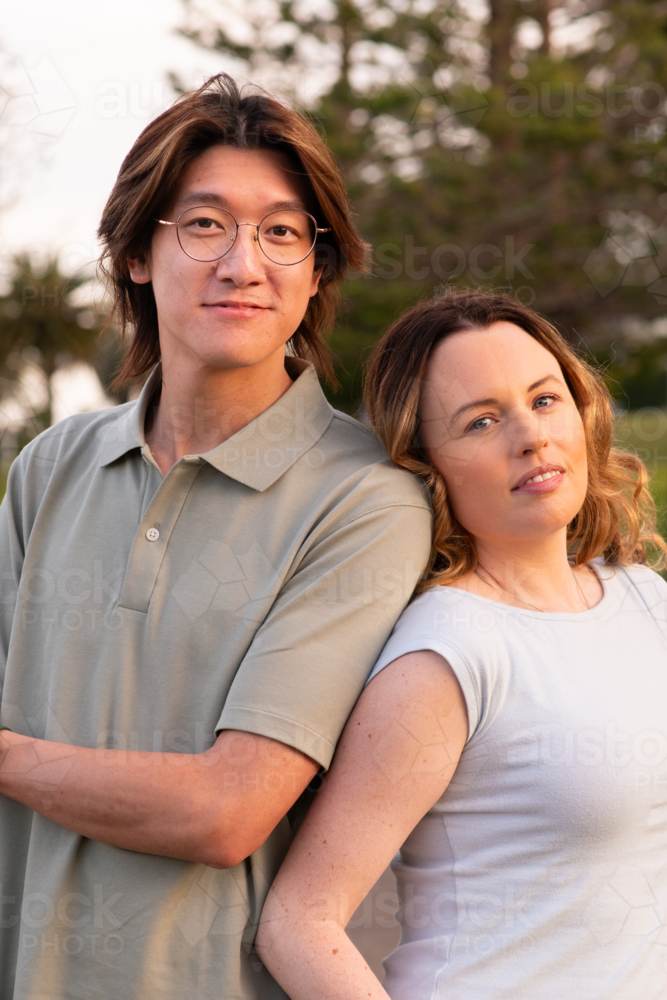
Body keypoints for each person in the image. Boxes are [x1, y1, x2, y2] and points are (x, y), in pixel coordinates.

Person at [0, 75, 432, 1000]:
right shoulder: (50, 467)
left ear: (317, 269)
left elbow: (227, 810)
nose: (244, 262)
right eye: (203, 224)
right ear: (136, 255)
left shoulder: (366, 501)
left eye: (282, 232)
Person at [257, 290, 667, 1000]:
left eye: (544, 400)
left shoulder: (645, 600)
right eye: (480, 421)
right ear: (424, 463)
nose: (530, 437)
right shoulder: (444, 656)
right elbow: (299, 922)